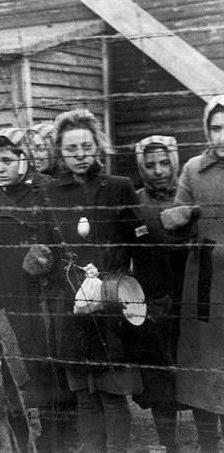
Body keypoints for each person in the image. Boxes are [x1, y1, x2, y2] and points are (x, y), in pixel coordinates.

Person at [24, 109, 145, 452]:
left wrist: (134, 293)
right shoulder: (49, 195)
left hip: (112, 304)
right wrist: (38, 262)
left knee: (113, 394)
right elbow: (44, 249)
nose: (79, 155)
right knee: (85, 397)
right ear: (60, 152)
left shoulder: (118, 188)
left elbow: (141, 245)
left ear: (97, 147)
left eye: (86, 147)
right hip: (70, 306)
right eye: (71, 148)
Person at [0, 128, 76, 451]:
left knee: (55, 369)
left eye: (8, 160)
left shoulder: (46, 191)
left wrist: (49, 258)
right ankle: (29, 437)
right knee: (19, 372)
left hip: (48, 296)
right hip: (8, 297)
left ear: (25, 159)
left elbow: (67, 242)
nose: (1, 167)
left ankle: (62, 436)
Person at [161, 94, 224, 451]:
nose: (222, 136)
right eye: (216, 128)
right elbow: (175, 219)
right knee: (203, 365)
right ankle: (207, 443)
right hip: (204, 280)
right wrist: (177, 218)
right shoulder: (192, 170)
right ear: (207, 130)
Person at [127, 135, 187, 452]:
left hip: (190, 299)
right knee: (160, 382)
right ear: (141, 168)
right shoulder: (136, 203)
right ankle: (169, 444)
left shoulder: (187, 195)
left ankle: (209, 440)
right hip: (153, 303)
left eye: (165, 163)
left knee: (196, 374)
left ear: (175, 162)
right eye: (149, 165)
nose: (158, 170)